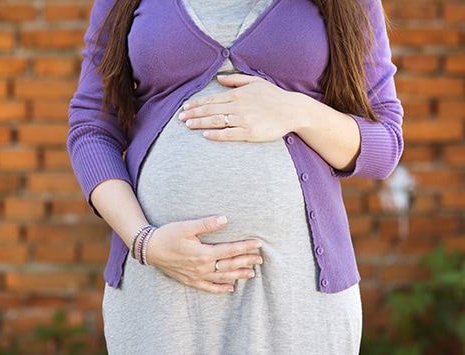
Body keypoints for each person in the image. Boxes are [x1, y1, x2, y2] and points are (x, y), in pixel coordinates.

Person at [67, 0, 403, 353]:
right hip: (159, 281)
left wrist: (298, 111)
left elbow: (385, 145)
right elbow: (92, 127)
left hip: (297, 287)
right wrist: (144, 242)